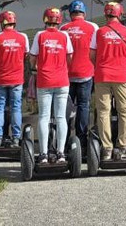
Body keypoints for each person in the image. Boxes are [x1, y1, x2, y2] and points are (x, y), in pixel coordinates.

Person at [89, 1, 126, 160]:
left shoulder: (99, 32)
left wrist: (100, 66)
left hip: (102, 75)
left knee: (103, 111)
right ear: (120, 14)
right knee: (124, 111)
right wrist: (124, 67)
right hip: (120, 76)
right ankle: (123, 147)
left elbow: (92, 55)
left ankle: (107, 149)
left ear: (105, 14)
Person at [29, 8, 73, 163]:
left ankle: (43, 154)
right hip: (62, 81)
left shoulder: (40, 35)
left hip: (44, 81)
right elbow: (70, 56)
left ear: (45, 19)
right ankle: (61, 153)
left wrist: (35, 67)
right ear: (59, 20)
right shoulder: (65, 35)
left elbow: (32, 57)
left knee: (44, 117)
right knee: (61, 117)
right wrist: (63, 67)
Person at [60, 0, 98, 149]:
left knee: (65, 108)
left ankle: (64, 141)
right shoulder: (93, 27)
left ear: (70, 14)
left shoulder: (63, 28)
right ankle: (81, 141)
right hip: (86, 74)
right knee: (83, 106)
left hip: (66, 75)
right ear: (84, 13)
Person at [0, 11, 29, 147]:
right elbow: (26, 55)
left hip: (0, 79)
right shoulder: (23, 37)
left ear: (2, 23)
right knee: (16, 108)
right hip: (16, 79)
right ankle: (16, 138)